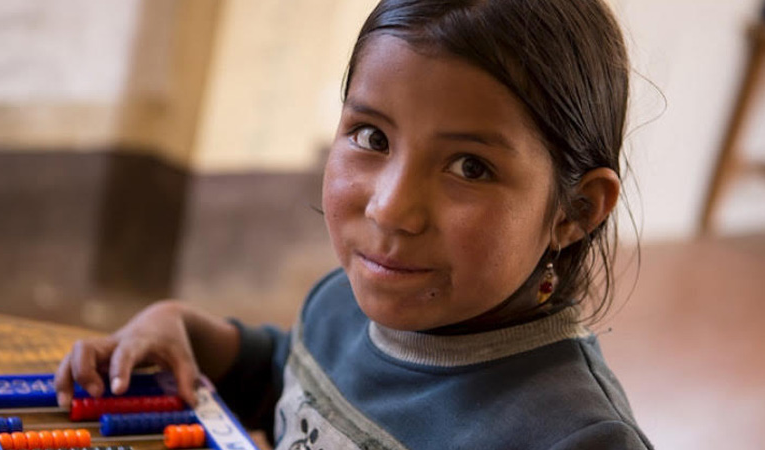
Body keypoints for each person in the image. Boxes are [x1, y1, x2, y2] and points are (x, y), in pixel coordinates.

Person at [56, 0, 654, 448]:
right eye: (372, 137)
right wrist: (183, 331)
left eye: (470, 167)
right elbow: (286, 379)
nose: (391, 208)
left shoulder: (575, 438)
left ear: (575, 210)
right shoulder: (343, 303)